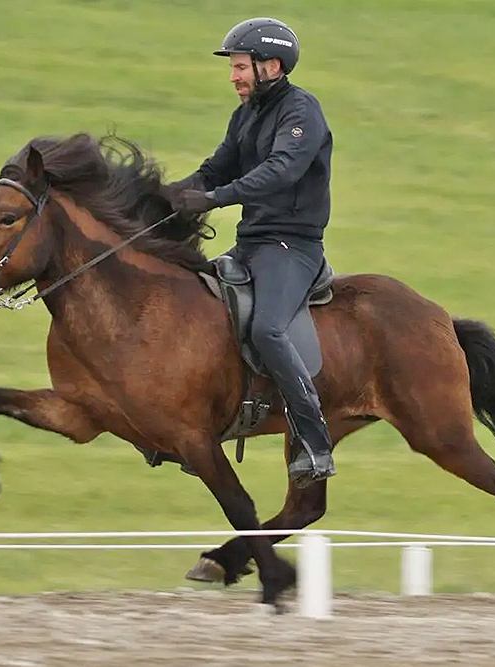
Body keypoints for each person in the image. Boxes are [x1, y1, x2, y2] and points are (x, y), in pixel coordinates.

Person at [164, 17, 336, 488]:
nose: (234, 77)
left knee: (268, 329)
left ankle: (314, 440)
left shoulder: (302, 112)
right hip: (252, 243)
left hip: (292, 246)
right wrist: (171, 195)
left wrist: (215, 199)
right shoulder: (245, 115)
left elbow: (281, 171)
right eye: (234, 68)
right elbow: (215, 168)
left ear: (271, 66)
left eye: (241, 67)